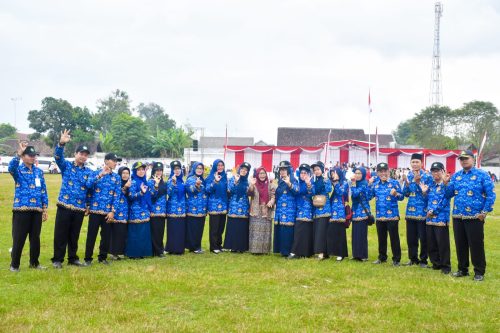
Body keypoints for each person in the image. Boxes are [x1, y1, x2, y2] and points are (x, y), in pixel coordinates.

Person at [446, 150, 496, 281]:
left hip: (475, 216)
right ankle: (463, 269)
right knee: (460, 244)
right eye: (461, 159)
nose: (463, 161)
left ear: (473, 159)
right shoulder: (456, 176)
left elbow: (491, 195)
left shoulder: (482, 175)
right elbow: (448, 194)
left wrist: (484, 212)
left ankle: (479, 272)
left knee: (476, 244)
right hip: (458, 215)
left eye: (466, 158)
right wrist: (446, 184)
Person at [52, 129, 94, 269]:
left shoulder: (89, 171)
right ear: (75, 154)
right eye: (81, 153)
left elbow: (89, 190)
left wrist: (88, 205)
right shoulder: (67, 166)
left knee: (74, 235)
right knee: (60, 234)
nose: (83, 156)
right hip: (64, 205)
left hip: (79, 207)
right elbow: (58, 157)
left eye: (85, 155)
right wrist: (61, 144)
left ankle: (73, 258)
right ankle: (57, 259)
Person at [8, 143, 48, 272]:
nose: (32, 158)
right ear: (23, 156)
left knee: (35, 238)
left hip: (36, 210)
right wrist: (17, 154)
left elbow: (43, 190)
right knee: (19, 238)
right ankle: (14, 265)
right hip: (22, 209)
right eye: (29, 155)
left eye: (34, 155)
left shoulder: (39, 172)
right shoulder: (18, 170)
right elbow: (10, 167)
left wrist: (44, 208)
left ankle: (34, 263)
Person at [84, 153, 122, 266]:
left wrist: (113, 211)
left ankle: (102, 257)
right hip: (95, 210)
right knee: (91, 235)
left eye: (116, 161)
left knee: (105, 236)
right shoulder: (95, 173)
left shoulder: (116, 177)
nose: (116, 163)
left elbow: (117, 195)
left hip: (107, 212)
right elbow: (88, 186)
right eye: (114, 160)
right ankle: (88, 259)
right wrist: (100, 175)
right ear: (106, 161)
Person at [370, 163, 404, 266]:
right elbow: (368, 196)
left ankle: (396, 259)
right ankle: (382, 257)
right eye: (381, 171)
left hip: (392, 216)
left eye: (385, 171)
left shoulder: (394, 183)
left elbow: (402, 197)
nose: (383, 173)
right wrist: (368, 184)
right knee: (381, 238)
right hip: (380, 216)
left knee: (394, 238)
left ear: (388, 172)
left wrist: (396, 194)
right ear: (377, 173)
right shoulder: (375, 184)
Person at [421, 162, 451, 274]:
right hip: (429, 219)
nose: (435, 173)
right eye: (433, 171)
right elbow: (427, 201)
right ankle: (436, 263)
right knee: (431, 243)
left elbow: (445, 200)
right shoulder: (431, 185)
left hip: (441, 219)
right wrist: (424, 193)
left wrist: (434, 212)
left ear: (443, 171)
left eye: (438, 170)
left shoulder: (446, 184)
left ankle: (445, 266)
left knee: (442, 244)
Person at [402, 153, 432, 268]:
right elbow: (406, 194)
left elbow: (428, 195)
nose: (414, 164)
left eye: (417, 162)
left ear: (421, 163)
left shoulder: (427, 176)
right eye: (413, 162)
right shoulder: (409, 175)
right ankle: (412, 259)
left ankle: (423, 260)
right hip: (410, 212)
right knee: (411, 238)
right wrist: (406, 184)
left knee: (423, 238)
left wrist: (419, 183)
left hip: (422, 211)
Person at [126, 161, 153, 259]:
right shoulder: (133, 182)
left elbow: (149, 195)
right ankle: (134, 253)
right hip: (136, 210)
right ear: (134, 171)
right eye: (139, 170)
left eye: (143, 169)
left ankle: (143, 252)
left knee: (144, 231)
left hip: (145, 209)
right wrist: (140, 193)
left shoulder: (145, 181)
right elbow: (130, 196)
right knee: (136, 232)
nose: (141, 172)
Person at [224, 162, 252, 252]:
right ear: (239, 169)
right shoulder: (233, 178)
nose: (244, 171)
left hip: (244, 207)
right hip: (234, 206)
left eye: (246, 170)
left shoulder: (247, 181)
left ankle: (241, 247)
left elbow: (249, 193)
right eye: (242, 169)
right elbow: (229, 190)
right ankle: (232, 246)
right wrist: (236, 182)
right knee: (234, 226)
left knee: (242, 227)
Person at [273, 161, 299, 257]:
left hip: (289, 210)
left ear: (288, 170)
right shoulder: (279, 181)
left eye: (284, 170)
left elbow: (296, 191)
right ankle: (281, 250)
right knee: (281, 230)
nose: (282, 172)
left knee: (287, 231)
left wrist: (289, 184)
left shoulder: (293, 180)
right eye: (281, 170)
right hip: (280, 210)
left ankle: (288, 251)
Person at [248, 166, 276, 254]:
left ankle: (265, 250)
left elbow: (273, 196)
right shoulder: (254, 184)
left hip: (266, 210)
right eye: (260, 173)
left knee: (265, 230)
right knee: (255, 230)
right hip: (256, 210)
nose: (262, 175)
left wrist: (271, 201)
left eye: (263, 173)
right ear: (257, 174)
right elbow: (249, 193)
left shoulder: (270, 185)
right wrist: (252, 185)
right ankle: (254, 250)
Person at [289, 164, 314, 258]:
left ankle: (304, 253)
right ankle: (297, 252)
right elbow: (296, 191)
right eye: (301, 173)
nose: (303, 175)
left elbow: (312, 193)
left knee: (305, 231)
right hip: (298, 209)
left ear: (308, 174)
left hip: (307, 210)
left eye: (305, 173)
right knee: (299, 231)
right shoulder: (297, 183)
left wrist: (308, 184)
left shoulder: (311, 183)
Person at [350, 167, 373, 261]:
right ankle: (356, 255)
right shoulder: (358, 184)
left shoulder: (364, 184)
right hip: (355, 212)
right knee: (355, 234)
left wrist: (353, 184)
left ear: (363, 174)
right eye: (356, 173)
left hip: (363, 213)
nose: (357, 175)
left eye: (359, 173)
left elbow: (355, 194)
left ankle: (363, 256)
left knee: (362, 234)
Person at [310, 161, 332, 260]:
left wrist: (327, 179)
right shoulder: (314, 181)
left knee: (322, 231)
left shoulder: (325, 179)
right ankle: (322, 252)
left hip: (325, 209)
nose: (316, 171)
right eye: (315, 170)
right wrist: (309, 185)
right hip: (316, 208)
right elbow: (312, 193)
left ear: (322, 170)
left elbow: (328, 190)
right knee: (318, 230)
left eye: (318, 169)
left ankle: (322, 253)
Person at [205, 159, 228, 254]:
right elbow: (207, 190)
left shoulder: (225, 177)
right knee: (214, 227)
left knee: (221, 227)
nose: (220, 167)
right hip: (214, 206)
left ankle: (219, 245)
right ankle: (213, 246)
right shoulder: (210, 177)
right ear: (215, 166)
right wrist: (215, 181)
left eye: (222, 165)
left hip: (223, 205)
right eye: (218, 165)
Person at [185, 162, 208, 253]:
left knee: (199, 229)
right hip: (192, 208)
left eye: (201, 168)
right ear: (194, 169)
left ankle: (197, 246)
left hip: (201, 209)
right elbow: (189, 191)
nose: (199, 170)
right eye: (198, 168)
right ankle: (193, 247)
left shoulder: (203, 179)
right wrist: (196, 186)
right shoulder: (190, 179)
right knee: (193, 228)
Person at [327, 167, 349, 261]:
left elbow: (341, 193)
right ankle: (333, 251)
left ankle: (341, 253)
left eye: (335, 173)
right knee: (332, 232)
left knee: (340, 233)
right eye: (332, 174)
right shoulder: (330, 183)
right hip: (332, 210)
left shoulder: (344, 183)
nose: (333, 175)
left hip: (340, 211)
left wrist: (336, 182)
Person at [109, 166, 131, 260]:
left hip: (126, 211)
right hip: (117, 210)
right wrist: (125, 187)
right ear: (120, 174)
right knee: (116, 231)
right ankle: (114, 253)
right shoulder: (117, 183)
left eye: (127, 173)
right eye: (123, 173)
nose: (125, 175)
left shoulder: (130, 184)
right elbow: (117, 195)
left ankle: (121, 251)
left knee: (123, 232)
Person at [165, 160, 186, 255]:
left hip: (181, 209)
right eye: (175, 169)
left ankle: (179, 249)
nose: (177, 171)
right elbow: (169, 193)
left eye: (178, 169)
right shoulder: (170, 180)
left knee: (180, 229)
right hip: (172, 209)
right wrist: (173, 183)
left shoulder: (182, 181)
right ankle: (171, 248)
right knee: (173, 229)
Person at [148, 162, 167, 257]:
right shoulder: (150, 182)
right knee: (155, 231)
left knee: (160, 231)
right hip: (154, 211)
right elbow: (151, 196)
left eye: (160, 170)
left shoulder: (163, 181)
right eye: (157, 170)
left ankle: (160, 248)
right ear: (153, 171)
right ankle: (157, 251)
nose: (159, 172)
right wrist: (156, 184)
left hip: (162, 211)